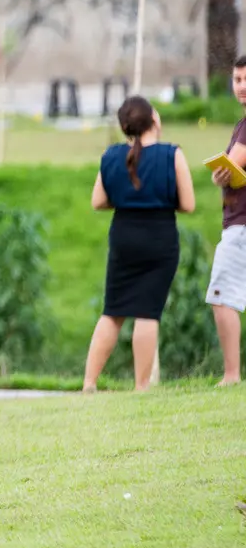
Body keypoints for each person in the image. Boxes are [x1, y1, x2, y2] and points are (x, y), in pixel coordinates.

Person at [83, 97, 194, 393]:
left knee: (113, 310)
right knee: (147, 312)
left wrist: (127, 199)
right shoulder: (172, 154)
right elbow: (188, 203)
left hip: (123, 236)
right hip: (159, 237)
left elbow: (98, 201)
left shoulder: (111, 156)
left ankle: (89, 383)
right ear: (153, 120)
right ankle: (141, 386)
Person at [206, 57, 246, 388]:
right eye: (237, 79)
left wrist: (223, 177)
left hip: (241, 227)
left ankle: (232, 376)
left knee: (222, 296)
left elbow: (234, 168)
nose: (242, 86)